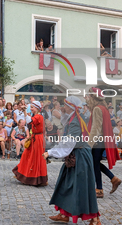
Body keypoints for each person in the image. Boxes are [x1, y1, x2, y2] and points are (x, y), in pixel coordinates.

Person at [42, 96, 100, 225]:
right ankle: (64, 214)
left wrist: (50, 152)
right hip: (76, 155)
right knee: (65, 182)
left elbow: (69, 142)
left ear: (71, 106)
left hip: (80, 156)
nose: (63, 107)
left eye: (65, 105)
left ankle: (95, 219)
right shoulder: (74, 118)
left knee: (82, 187)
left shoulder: (75, 121)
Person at [85, 87, 121, 199]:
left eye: (89, 96)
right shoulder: (103, 108)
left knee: (95, 164)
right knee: (95, 163)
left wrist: (89, 144)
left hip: (97, 141)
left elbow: (96, 128)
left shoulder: (97, 109)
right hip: (101, 141)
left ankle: (99, 189)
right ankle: (113, 179)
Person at [12, 101, 47, 186]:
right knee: (27, 155)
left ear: (37, 108)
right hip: (35, 137)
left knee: (36, 158)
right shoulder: (36, 116)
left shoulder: (39, 116)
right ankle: (23, 174)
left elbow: (29, 121)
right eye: (30, 107)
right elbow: (29, 120)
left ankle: (36, 179)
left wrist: (24, 112)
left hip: (38, 139)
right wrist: (25, 112)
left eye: (32, 107)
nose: (31, 109)